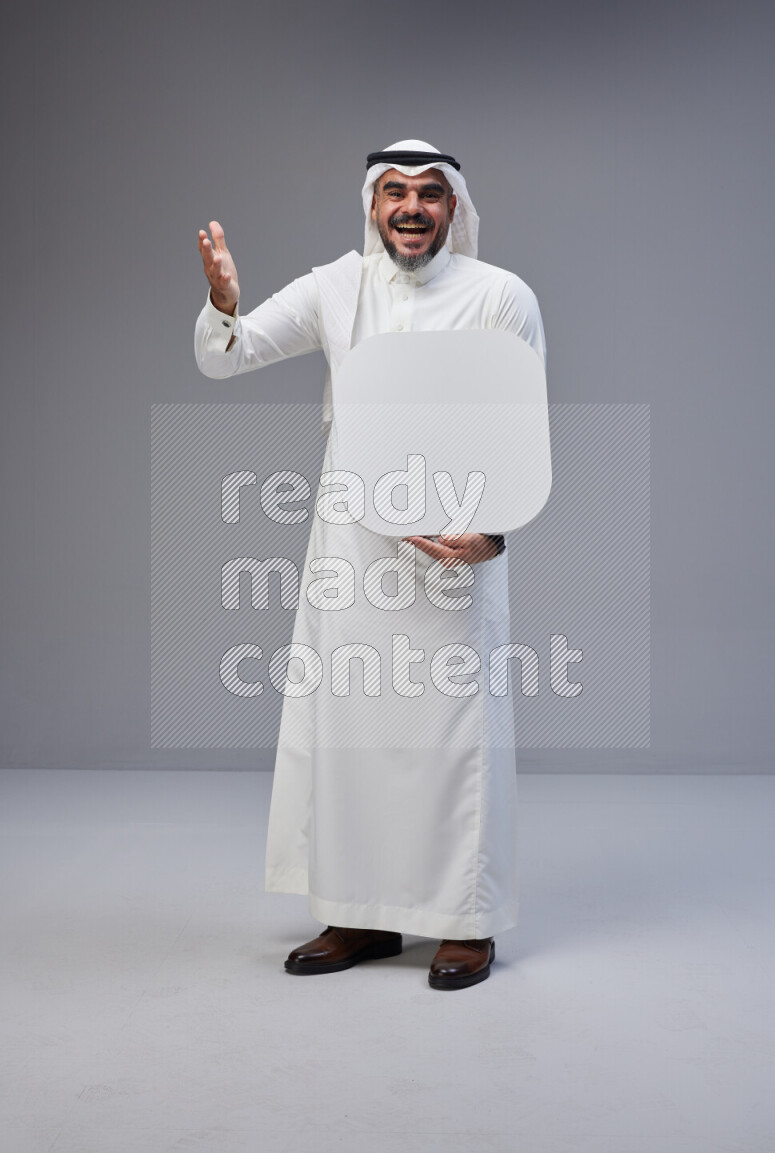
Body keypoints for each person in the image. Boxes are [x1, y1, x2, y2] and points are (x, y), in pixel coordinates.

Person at [195, 140, 546, 990]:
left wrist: (492, 534)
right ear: (373, 203)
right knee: (349, 731)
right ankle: (358, 916)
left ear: (454, 206)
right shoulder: (334, 287)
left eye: (430, 193)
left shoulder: (502, 295)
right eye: (396, 192)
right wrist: (223, 299)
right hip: (352, 546)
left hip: (453, 547)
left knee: (454, 739)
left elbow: (523, 420)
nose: (413, 207)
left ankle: (465, 921)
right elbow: (227, 354)